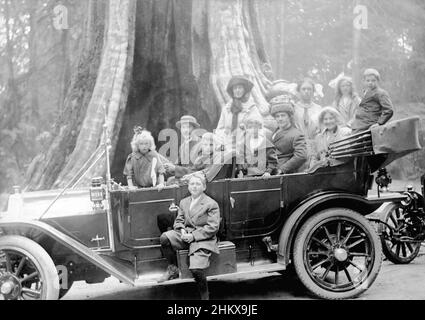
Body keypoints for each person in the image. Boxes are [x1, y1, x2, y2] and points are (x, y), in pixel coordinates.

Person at [158, 173, 220, 300]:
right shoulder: (184, 202)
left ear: (204, 187)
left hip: (203, 239)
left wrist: (193, 236)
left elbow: (213, 227)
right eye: (192, 184)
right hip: (185, 235)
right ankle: (173, 268)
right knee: (165, 238)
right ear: (188, 187)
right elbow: (179, 221)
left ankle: (205, 297)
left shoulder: (211, 204)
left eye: (198, 184)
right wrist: (182, 231)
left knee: (196, 269)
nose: (194, 187)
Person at [216, 75, 263, 149]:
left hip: (245, 148)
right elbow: (220, 129)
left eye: (240, 88)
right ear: (232, 91)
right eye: (235, 88)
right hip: (227, 147)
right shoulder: (227, 108)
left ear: (245, 90)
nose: (237, 90)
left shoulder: (251, 108)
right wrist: (222, 143)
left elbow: (258, 130)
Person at [270, 95, 307, 174]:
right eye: (277, 116)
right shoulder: (273, 133)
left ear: (289, 117)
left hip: (286, 174)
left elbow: (301, 156)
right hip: (271, 170)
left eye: (283, 115)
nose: (280, 118)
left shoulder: (296, 134)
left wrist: (282, 169)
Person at [351, 69, 394, 133]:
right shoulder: (365, 92)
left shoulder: (381, 93)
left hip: (370, 125)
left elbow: (389, 110)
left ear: (378, 81)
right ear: (364, 81)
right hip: (360, 125)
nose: (370, 83)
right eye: (367, 80)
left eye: (373, 80)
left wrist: (379, 123)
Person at [293, 78, 322, 164]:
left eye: (309, 89)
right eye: (303, 89)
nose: (306, 91)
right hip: (298, 144)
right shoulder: (294, 108)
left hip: (315, 143)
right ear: (299, 91)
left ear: (313, 91)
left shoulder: (318, 108)